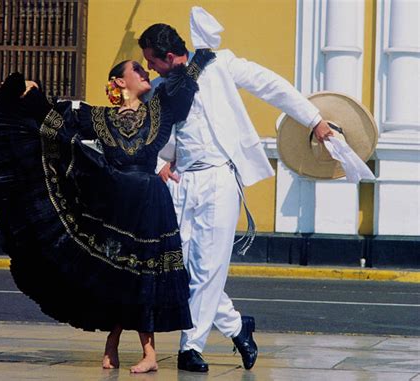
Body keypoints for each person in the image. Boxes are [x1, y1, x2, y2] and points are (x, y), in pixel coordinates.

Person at [0, 51, 214, 373]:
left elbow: (181, 93)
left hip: (151, 204)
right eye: (137, 68)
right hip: (116, 201)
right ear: (121, 81)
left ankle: (149, 354)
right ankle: (112, 343)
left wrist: (197, 60)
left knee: (145, 275)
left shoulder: (158, 111)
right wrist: (32, 97)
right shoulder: (100, 117)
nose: (144, 71)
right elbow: (58, 124)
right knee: (117, 275)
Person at [137, 7, 334, 373]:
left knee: (209, 268)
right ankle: (236, 325)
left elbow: (270, 85)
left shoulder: (219, 65)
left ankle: (190, 347)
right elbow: (148, 140)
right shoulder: (162, 91)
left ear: (168, 55)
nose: (149, 70)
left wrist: (315, 119)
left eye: (152, 62)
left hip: (219, 178)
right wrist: (158, 166)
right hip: (182, 181)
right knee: (178, 268)